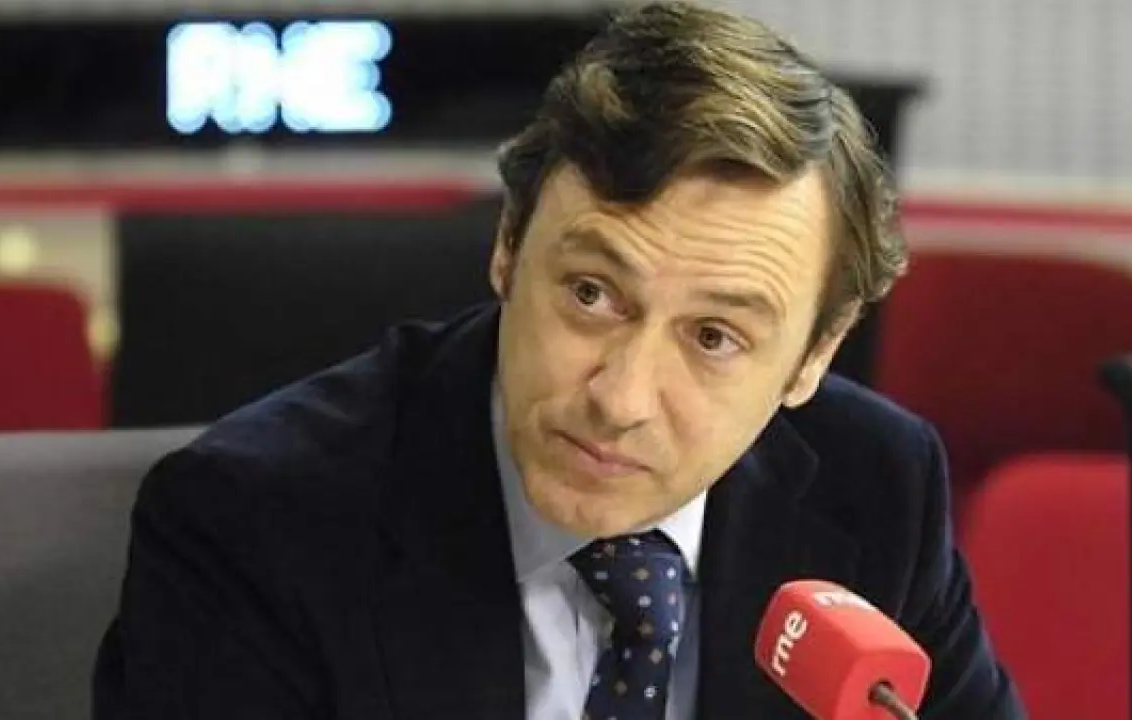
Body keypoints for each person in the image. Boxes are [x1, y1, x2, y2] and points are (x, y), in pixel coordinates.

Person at [93, 3, 1026, 718]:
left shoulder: (877, 488)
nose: (621, 398)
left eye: (713, 338)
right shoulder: (255, 525)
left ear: (814, 356)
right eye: (590, 294)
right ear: (508, 245)